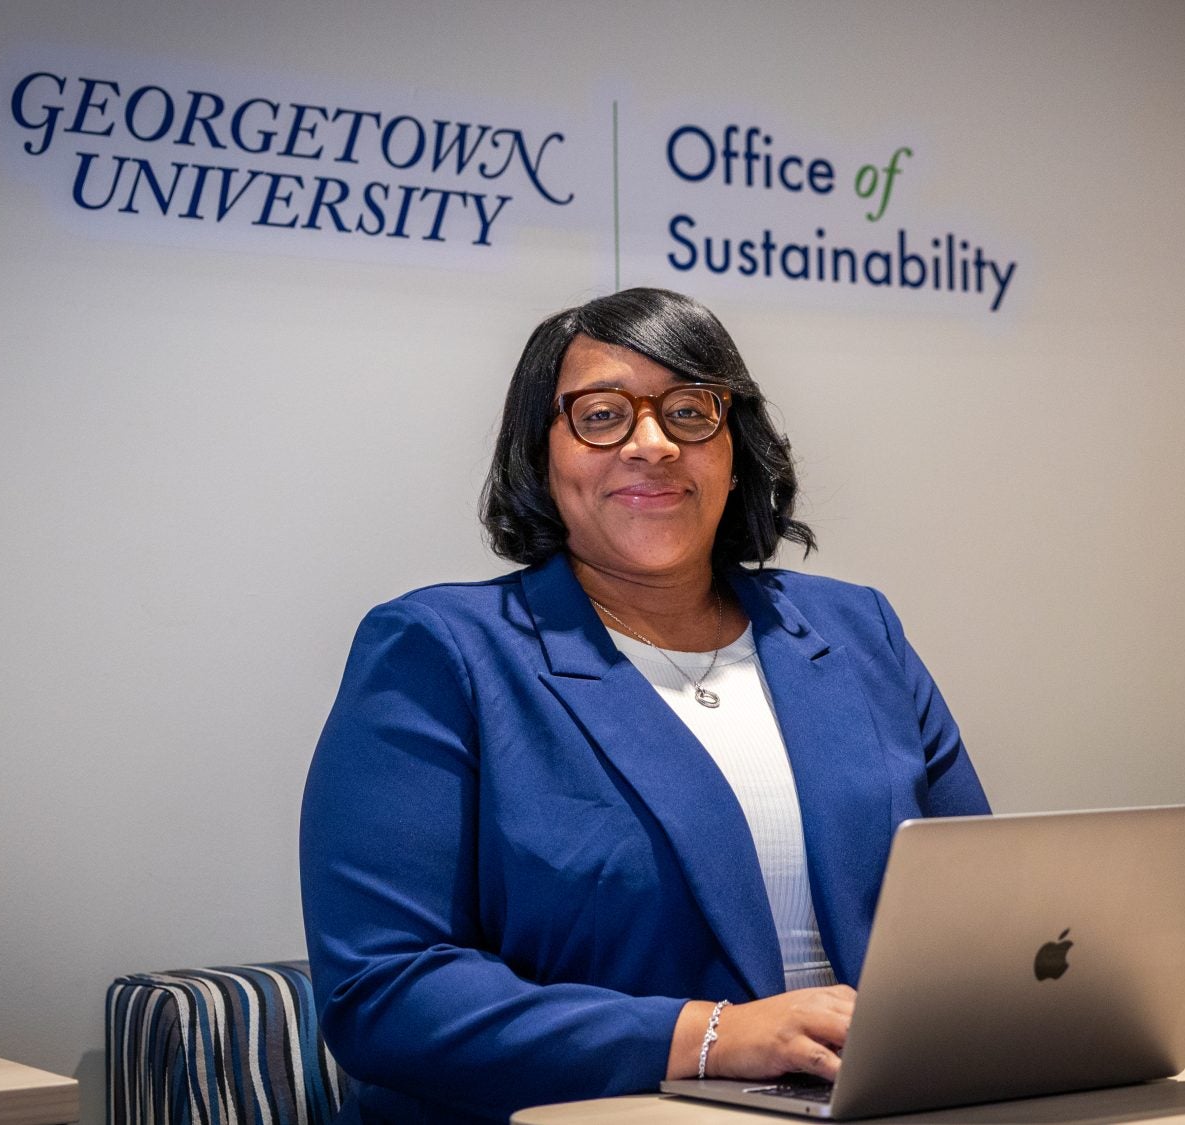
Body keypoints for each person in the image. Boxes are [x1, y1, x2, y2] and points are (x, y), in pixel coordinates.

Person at [300, 288, 988, 1124]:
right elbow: (385, 989)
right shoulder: (440, 652)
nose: (653, 444)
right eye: (601, 415)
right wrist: (707, 1036)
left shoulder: (857, 630)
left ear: (735, 449)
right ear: (540, 454)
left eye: (691, 411)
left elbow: (976, 907)